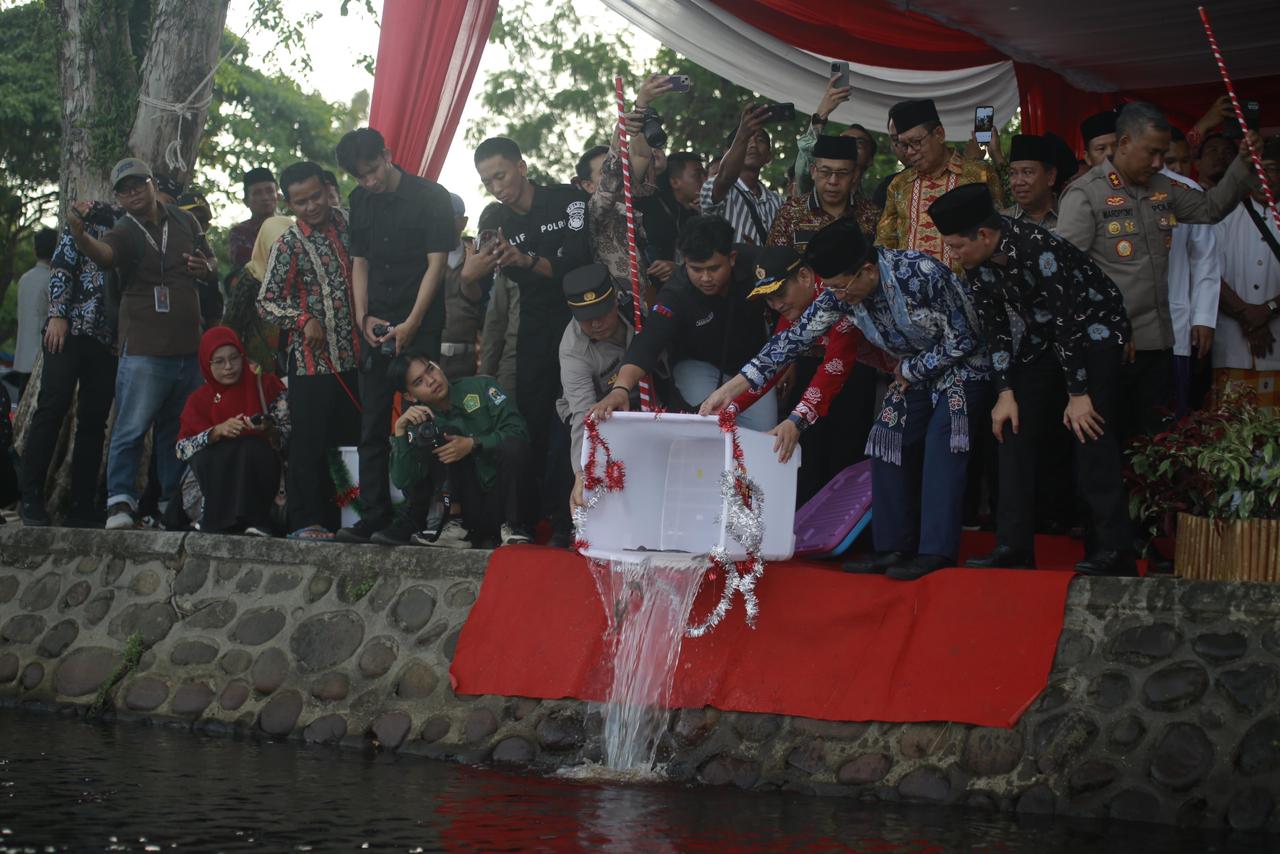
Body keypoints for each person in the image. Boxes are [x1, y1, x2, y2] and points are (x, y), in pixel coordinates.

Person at [707, 217, 990, 580]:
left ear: (867, 271)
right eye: (832, 289)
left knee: (940, 446)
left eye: (841, 288)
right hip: (911, 373)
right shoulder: (839, 294)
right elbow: (789, 342)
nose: (837, 297)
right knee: (887, 440)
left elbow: (966, 337)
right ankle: (892, 547)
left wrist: (912, 370)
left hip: (961, 368)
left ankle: (936, 551)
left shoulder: (920, 273)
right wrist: (728, 391)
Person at [931, 184, 1135, 576]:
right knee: (1011, 427)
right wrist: (1005, 391)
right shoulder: (976, 262)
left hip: (1093, 333)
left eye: (956, 246)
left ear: (984, 235)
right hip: (1042, 338)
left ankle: (1112, 549)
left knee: (1090, 431)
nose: (952, 255)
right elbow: (995, 329)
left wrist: (1078, 393)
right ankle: (1013, 545)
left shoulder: (1038, 248)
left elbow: (1068, 321)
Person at [1056, 102, 1259, 444]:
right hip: (1110, 347)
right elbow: (1067, 276)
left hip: (1160, 344)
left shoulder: (1163, 187)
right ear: (1124, 143)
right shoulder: (1086, 193)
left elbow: (1210, 209)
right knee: (1108, 445)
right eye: (1151, 152)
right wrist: (1109, 327)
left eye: (1162, 154)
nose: (1157, 162)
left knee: (1157, 444)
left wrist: (1243, 162)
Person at [66, 157, 217, 530]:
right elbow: (106, 256)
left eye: (138, 184)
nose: (132, 193)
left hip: (189, 347)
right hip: (145, 349)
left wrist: (206, 268)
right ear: (118, 197)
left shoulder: (186, 221)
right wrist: (82, 238)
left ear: (153, 185)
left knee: (177, 431)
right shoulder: (125, 229)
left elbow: (211, 262)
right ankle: (120, 501)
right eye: (124, 190)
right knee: (131, 428)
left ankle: (171, 503)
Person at [700, 245, 896, 504]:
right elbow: (773, 363)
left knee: (844, 454)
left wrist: (796, 419)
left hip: (878, 369)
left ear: (804, 276)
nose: (776, 305)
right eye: (769, 299)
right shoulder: (794, 304)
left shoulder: (836, 293)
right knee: (809, 455)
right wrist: (730, 406)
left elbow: (834, 366)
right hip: (825, 372)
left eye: (780, 294)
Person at [335, 127, 455, 544]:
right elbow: (360, 262)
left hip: (419, 322)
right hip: (376, 326)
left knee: (420, 420)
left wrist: (414, 322)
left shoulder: (431, 196)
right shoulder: (359, 200)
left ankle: (415, 517)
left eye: (373, 170)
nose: (369, 181)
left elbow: (436, 265)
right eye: (360, 176)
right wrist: (362, 317)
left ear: (387, 155)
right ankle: (372, 515)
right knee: (371, 423)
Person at [470, 135, 592, 546]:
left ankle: (568, 519)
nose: (497, 187)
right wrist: (473, 269)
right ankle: (528, 518)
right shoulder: (496, 220)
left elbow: (576, 262)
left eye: (501, 175)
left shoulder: (567, 200)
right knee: (532, 420)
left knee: (574, 419)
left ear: (521, 167)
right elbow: (477, 275)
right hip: (534, 327)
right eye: (487, 181)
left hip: (582, 321)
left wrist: (527, 260)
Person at [589, 216, 778, 432]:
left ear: (732, 258)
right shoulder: (675, 293)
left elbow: (788, 307)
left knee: (763, 431)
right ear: (685, 262)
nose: (705, 278)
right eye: (696, 269)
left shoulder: (757, 263)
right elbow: (649, 341)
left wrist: (787, 363)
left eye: (713, 268)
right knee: (712, 426)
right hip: (699, 367)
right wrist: (620, 389)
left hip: (756, 362)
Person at [257, 161, 364, 541]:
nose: (312, 206)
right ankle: (307, 521)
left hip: (358, 359)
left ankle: (351, 519)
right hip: (311, 363)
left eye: (316, 196)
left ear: (326, 189)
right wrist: (303, 320)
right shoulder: (288, 243)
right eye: (301, 202)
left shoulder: (351, 224)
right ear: (289, 203)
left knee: (352, 441)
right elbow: (266, 302)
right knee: (309, 445)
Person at [19, 202, 121, 527]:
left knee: (94, 422)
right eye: (126, 189)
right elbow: (62, 266)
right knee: (52, 408)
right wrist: (58, 315)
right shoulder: (88, 218)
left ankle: (81, 506)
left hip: (108, 339)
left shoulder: (136, 229)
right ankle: (30, 497)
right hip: (69, 331)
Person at [389, 353, 530, 548]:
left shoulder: (482, 387)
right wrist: (400, 430)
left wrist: (473, 444)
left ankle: (514, 527)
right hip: (470, 510)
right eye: (419, 381)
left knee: (512, 445)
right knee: (442, 434)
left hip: (508, 499)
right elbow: (403, 480)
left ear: (437, 366)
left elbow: (519, 434)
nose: (431, 380)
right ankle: (455, 526)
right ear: (409, 396)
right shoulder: (421, 425)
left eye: (430, 369)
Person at [175, 327, 288, 535]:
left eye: (234, 358)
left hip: (263, 488)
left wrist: (268, 428)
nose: (229, 367)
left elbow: (290, 434)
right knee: (215, 453)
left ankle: (257, 520)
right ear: (206, 363)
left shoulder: (267, 386)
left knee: (251, 447)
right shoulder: (198, 400)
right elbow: (182, 449)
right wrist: (215, 432)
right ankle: (217, 520)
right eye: (219, 361)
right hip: (213, 493)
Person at [876, 98, 1005, 269]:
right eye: (904, 145)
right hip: (911, 284)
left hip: (969, 284)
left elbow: (1000, 232)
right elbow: (885, 243)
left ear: (939, 134)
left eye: (916, 142)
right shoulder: (899, 184)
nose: (910, 152)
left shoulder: (978, 173)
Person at [558, 263, 639, 509]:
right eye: (586, 318)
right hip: (600, 412)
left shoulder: (638, 307)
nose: (596, 324)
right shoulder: (573, 350)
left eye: (601, 313)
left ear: (615, 301)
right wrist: (582, 473)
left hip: (647, 397)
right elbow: (584, 415)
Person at [1211, 137, 1280, 409]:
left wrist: (1267, 310)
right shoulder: (1223, 214)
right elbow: (1209, 274)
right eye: (1256, 169)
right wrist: (1248, 315)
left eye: (1271, 169)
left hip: (1277, 342)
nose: (1263, 177)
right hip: (1232, 345)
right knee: (1230, 427)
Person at [1163, 128, 1220, 416]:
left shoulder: (1186, 190)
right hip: (1126, 331)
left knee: (1173, 421)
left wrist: (1203, 317)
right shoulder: (1111, 189)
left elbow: (1204, 259)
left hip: (1176, 325)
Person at [768, 135, 879, 250]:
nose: (833, 181)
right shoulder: (790, 214)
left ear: (855, 175)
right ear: (813, 172)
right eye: (825, 172)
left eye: (842, 173)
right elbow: (774, 259)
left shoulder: (871, 215)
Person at [700, 104, 785, 245]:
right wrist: (742, 134)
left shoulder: (778, 202)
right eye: (747, 140)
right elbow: (725, 177)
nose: (753, 145)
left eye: (760, 140)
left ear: (769, 156)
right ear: (727, 153)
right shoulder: (713, 187)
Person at [793, 73, 878, 197]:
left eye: (859, 143)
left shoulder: (871, 205)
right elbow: (805, 161)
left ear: (870, 160)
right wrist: (822, 113)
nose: (850, 145)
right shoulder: (816, 189)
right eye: (844, 141)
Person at [224, 215, 291, 372]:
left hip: (299, 359)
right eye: (275, 248)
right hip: (260, 364)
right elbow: (232, 323)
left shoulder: (305, 273)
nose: (282, 255)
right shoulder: (251, 276)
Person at [439, 192, 485, 379]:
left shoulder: (479, 258)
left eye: (446, 217)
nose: (439, 223)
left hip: (469, 361)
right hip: (428, 361)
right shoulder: (420, 259)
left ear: (463, 222)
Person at [636, 151, 704, 275]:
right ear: (675, 182)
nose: (705, 180)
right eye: (697, 175)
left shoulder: (700, 213)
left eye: (705, 174)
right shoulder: (651, 206)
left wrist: (679, 269)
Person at [13, 228, 55, 401]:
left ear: (35, 251)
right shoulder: (53, 280)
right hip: (42, 358)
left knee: (22, 400)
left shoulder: (24, 279)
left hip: (23, 355)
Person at [1003, 134, 1062, 230]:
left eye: (1027, 172)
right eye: (1012, 173)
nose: (1018, 182)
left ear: (1051, 176)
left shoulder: (1071, 214)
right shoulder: (1002, 222)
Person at [229, 167, 280, 267]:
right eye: (257, 193)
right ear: (246, 201)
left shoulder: (290, 228)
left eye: (270, 191)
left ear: (277, 196)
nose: (265, 197)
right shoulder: (240, 233)